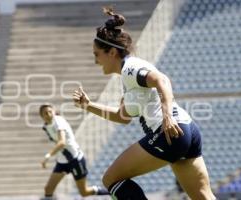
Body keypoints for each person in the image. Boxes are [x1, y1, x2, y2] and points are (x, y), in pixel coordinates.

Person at [72, 7, 216, 200]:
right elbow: (121, 117)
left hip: (169, 131)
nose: (95, 61)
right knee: (203, 197)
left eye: (97, 54)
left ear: (112, 52)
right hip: (186, 129)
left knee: (111, 179)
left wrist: (167, 117)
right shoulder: (127, 77)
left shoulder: (131, 68)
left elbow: (162, 80)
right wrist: (88, 105)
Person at [39, 104, 109, 200]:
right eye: (45, 113)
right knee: (48, 189)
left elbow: (62, 142)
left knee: (84, 192)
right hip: (62, 161)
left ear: (54, 112)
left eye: (50, 112)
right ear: (42, 116)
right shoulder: (46, 127)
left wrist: (48, 156)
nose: (48, 114)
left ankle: (112, 193)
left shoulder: (59, 121)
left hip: (75, 160)